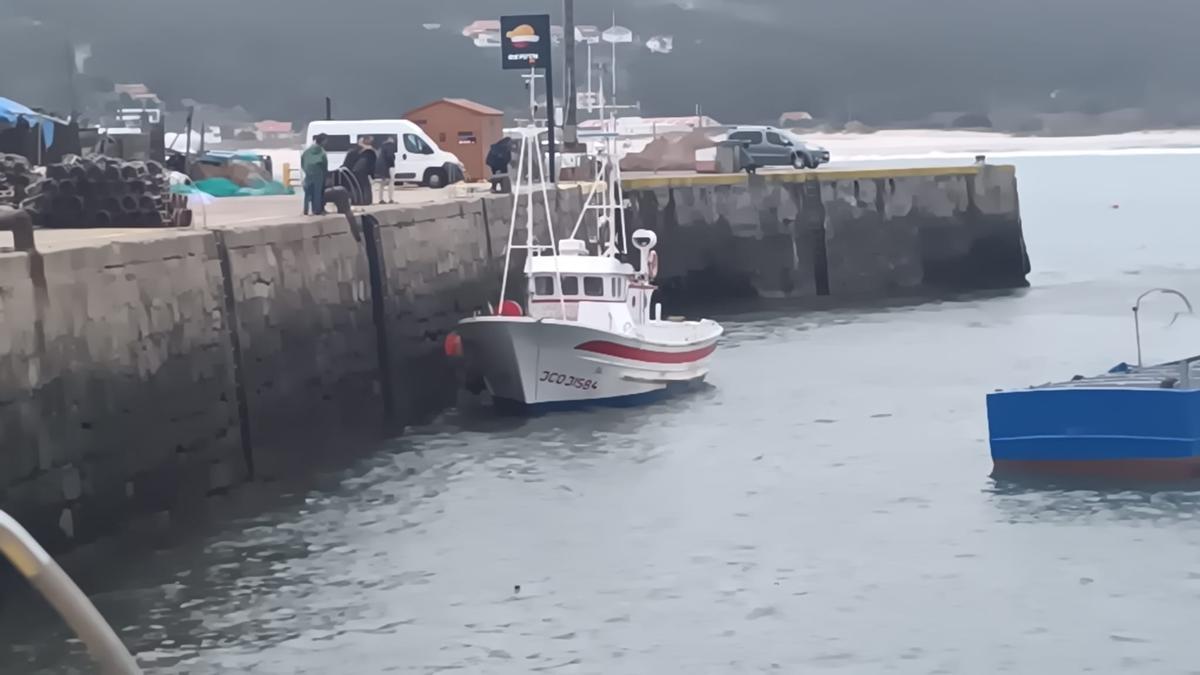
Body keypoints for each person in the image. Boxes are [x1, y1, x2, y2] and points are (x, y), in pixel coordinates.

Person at [301, 133, 329, 215]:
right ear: (323, 141)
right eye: (326, 141)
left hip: (308, 174)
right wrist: (325, 175)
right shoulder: (322, 152)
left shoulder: (307, 151)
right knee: (317, 193)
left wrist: (306, 171)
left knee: (307, 192)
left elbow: (302, 162)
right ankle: (316, 210)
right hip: (319, 174)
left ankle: (305, 210)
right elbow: (324, 165)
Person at [345, 136, 376, 205]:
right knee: (365, 186)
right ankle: (367, 201)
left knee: (355, 186)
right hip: (362, 171)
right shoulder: (368, 151)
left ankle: (356, 201)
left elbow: (347, 162)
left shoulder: (353, 150)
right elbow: (370, 163)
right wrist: (372, 174)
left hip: (353, 171)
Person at [375, 139, 396, 204]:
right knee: (391, 183)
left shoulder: (381, 146)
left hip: (380, 167)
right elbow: (390, 156)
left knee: (382, 183)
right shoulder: (390, 146)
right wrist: (392, 163)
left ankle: (381, 199)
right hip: (388, 166)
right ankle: (391, 199)